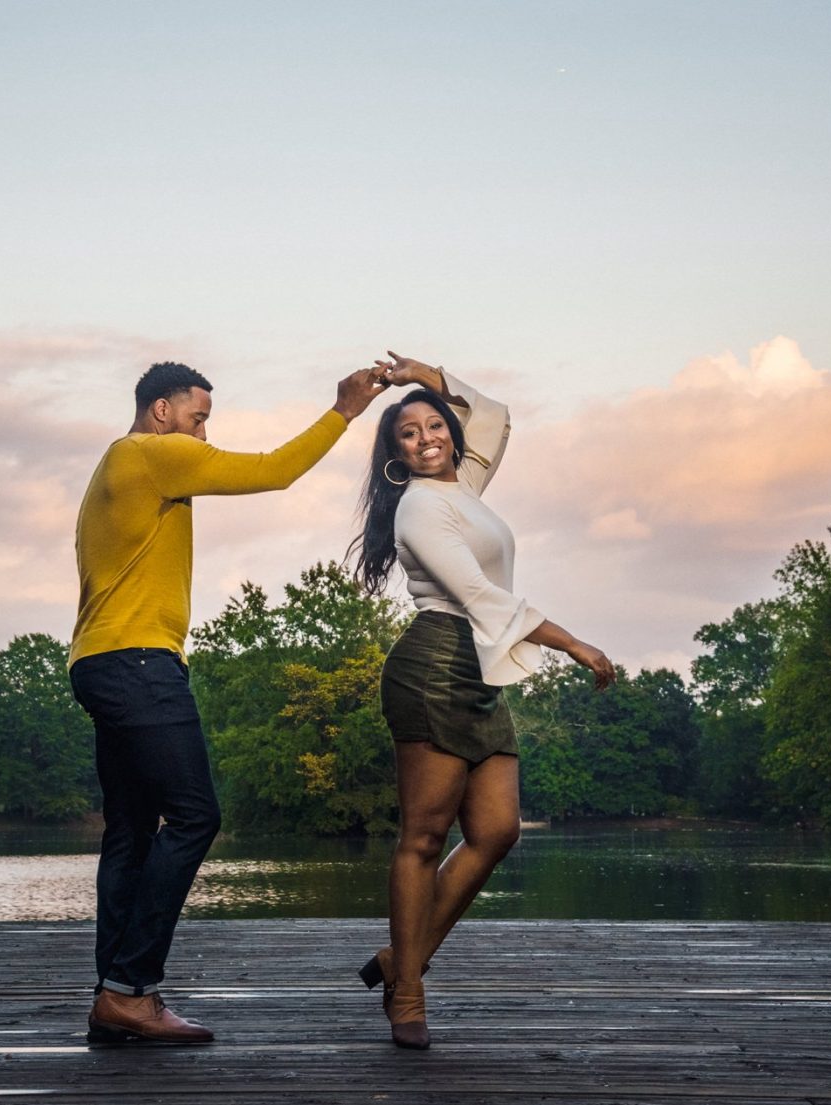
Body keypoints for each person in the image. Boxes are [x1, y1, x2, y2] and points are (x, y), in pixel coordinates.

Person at [70, 360, 385, 1045]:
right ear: (161, 410)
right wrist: (344, 410)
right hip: (141, 663)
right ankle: (132, 987)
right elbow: (273, 470)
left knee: (129, 831)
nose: (203, 432)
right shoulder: (151, 454)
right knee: (194, 815)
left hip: (98, 662)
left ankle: (113, 994)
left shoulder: (113, 466)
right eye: (197, 416)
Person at [349, 352, 617, 1049]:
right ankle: (407, 989)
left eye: (434, 424)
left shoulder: (465, 482)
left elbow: (493, 417)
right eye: (407, 434)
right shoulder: (417, 509)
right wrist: (572, 642)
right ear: (393, 457)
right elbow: (479, 597)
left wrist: (424, 375)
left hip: (481, 671)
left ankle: (397, 960)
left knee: (497, 829)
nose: (426, 436)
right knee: (423, 836)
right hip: (434, 665)